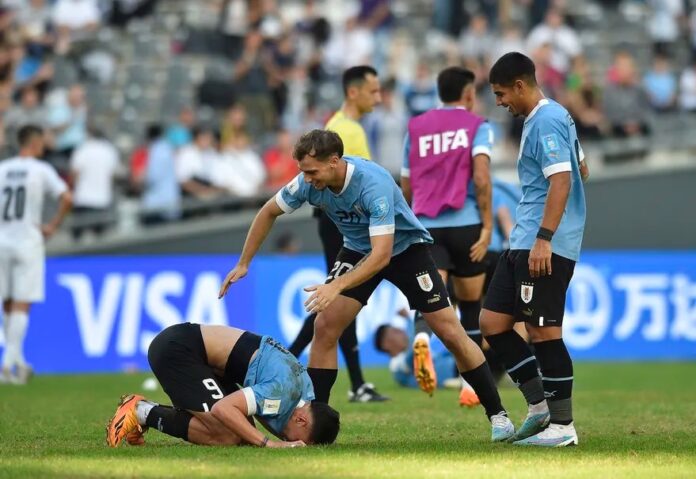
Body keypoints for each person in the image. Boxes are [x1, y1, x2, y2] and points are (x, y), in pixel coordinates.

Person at [219, 129, 515, 442]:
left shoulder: (372, 184)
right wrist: (244, 262)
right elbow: (268, 212)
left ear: (334, 161)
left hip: (405, 250)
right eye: (302, 171)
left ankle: (499, 415)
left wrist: (335, 286)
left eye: (312, 171)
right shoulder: (308, 183)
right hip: (358, 249)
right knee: (325, 327)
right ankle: (318, 425)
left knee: (450, 332)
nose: (306, 179)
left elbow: (382, 255)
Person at [484, 52, 589, 447]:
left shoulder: (545, 120)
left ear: (520, 86)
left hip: (542, 242)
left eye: (500, 93)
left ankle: (563, 428)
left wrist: (545, 236)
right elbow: (582, 166)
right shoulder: (554, 117)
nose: (499, 102)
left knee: (543, 332)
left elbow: (563, 180)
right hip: (523, 239)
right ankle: (539, 407)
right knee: (493, 323)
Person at [287, 65, 388, 403]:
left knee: (338, 297)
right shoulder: (346, 130)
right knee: (338, 297)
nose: (379, 97)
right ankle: (291, 363)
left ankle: (352, 381)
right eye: (373, 91)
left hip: (338, 221)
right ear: (353, 92)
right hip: (342, 223)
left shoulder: (344, 126)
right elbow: (355, 187)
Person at [400, 67, 494, 406]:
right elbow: (481, 177)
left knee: (430, 299)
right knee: (470, 305)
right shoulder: (477, 126)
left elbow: (406, 181)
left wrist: (410, 220)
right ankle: (469, 383)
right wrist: (486, 224)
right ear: (468, 93)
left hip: (427, 224)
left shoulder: (416, 128)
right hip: (466, 222)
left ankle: (421, 336)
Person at [106, 323, 340, 448]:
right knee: (227, 435)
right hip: (176, 350)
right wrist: (270, 444)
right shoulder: (281, 392)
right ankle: (141, 411)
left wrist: (260, 438)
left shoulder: (304, 392)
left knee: (242, 433)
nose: (294, 443)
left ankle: (150, 414)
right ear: (302, 420)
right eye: (300, 440)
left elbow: (260, 413)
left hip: (201, 356)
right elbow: (223, 409)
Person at [0, 125, 72, 384]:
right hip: (27, 241)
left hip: (2, 240)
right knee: (22, 302)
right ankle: (8, 365)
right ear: (35, 142)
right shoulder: (41, 169)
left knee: (7, 303)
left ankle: (15, 359)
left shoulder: (3, 169)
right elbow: (67, 197)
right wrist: (52, 225)